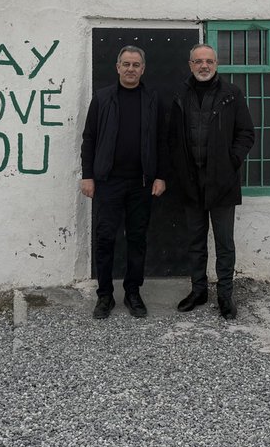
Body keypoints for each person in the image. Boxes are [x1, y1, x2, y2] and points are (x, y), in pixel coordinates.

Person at [80, 45, 168, 319]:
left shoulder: (153, 99)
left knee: (137, 239)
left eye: (136, 65)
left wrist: (160, 175)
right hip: (108, 183)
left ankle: (132, 292)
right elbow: (89, 138)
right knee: (105, 239)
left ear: (143, 69)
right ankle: (104, 295)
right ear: (117, 67)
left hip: (141, 183)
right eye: (126, 64)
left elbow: (162, 140)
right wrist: (88, 175)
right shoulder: (102, 98)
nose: (131, 69)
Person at [169, 43, 255, 319]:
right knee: (195, 241)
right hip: (191, 181)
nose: (204, 65)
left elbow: (246, 133)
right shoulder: (180, 94)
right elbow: (170, 136)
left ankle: (225, 295)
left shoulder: (231, 94)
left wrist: (231, 162)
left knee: (224, 243)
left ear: (216, 64)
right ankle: (198, 291)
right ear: (190, 65)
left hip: (222, 182)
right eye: (198, 61)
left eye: (209, 61)